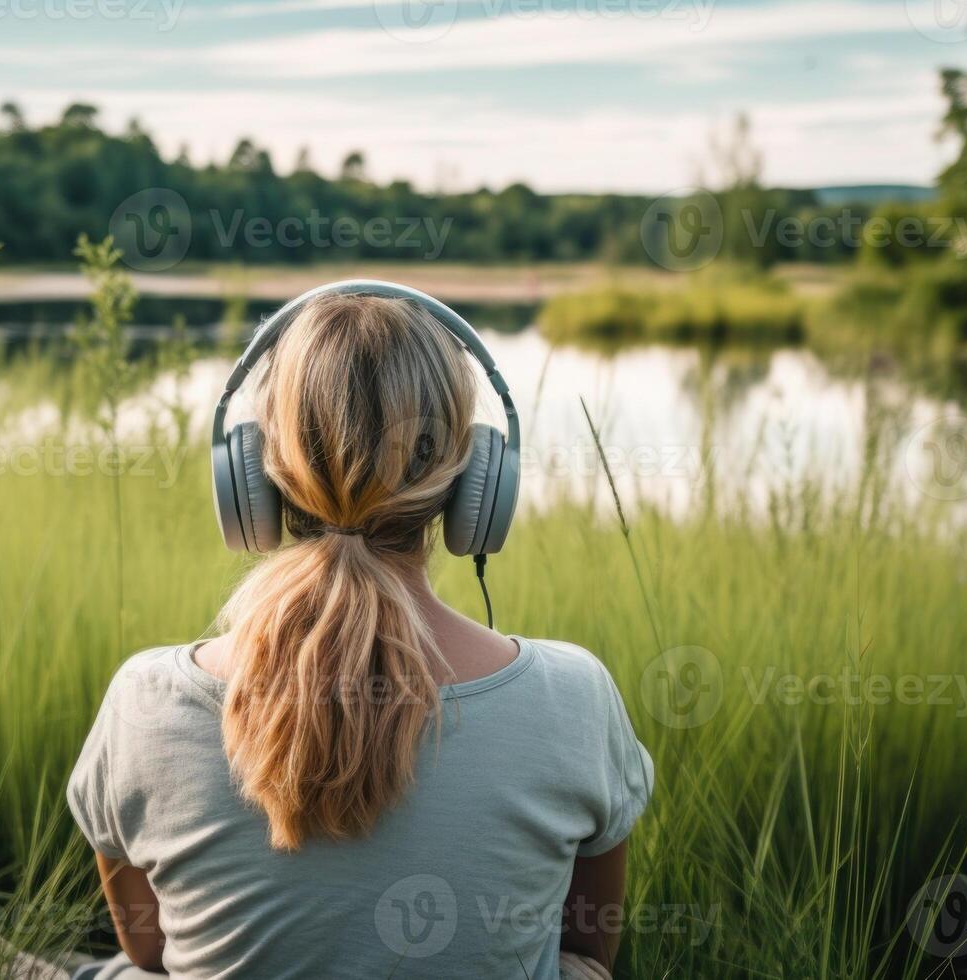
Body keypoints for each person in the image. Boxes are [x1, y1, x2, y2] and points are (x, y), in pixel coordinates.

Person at [64, 285, 654, 979]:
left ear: (251, 479)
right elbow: (587, 948)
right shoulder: (573, 697)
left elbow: (150, 951)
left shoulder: (147, 698)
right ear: (474, 482)